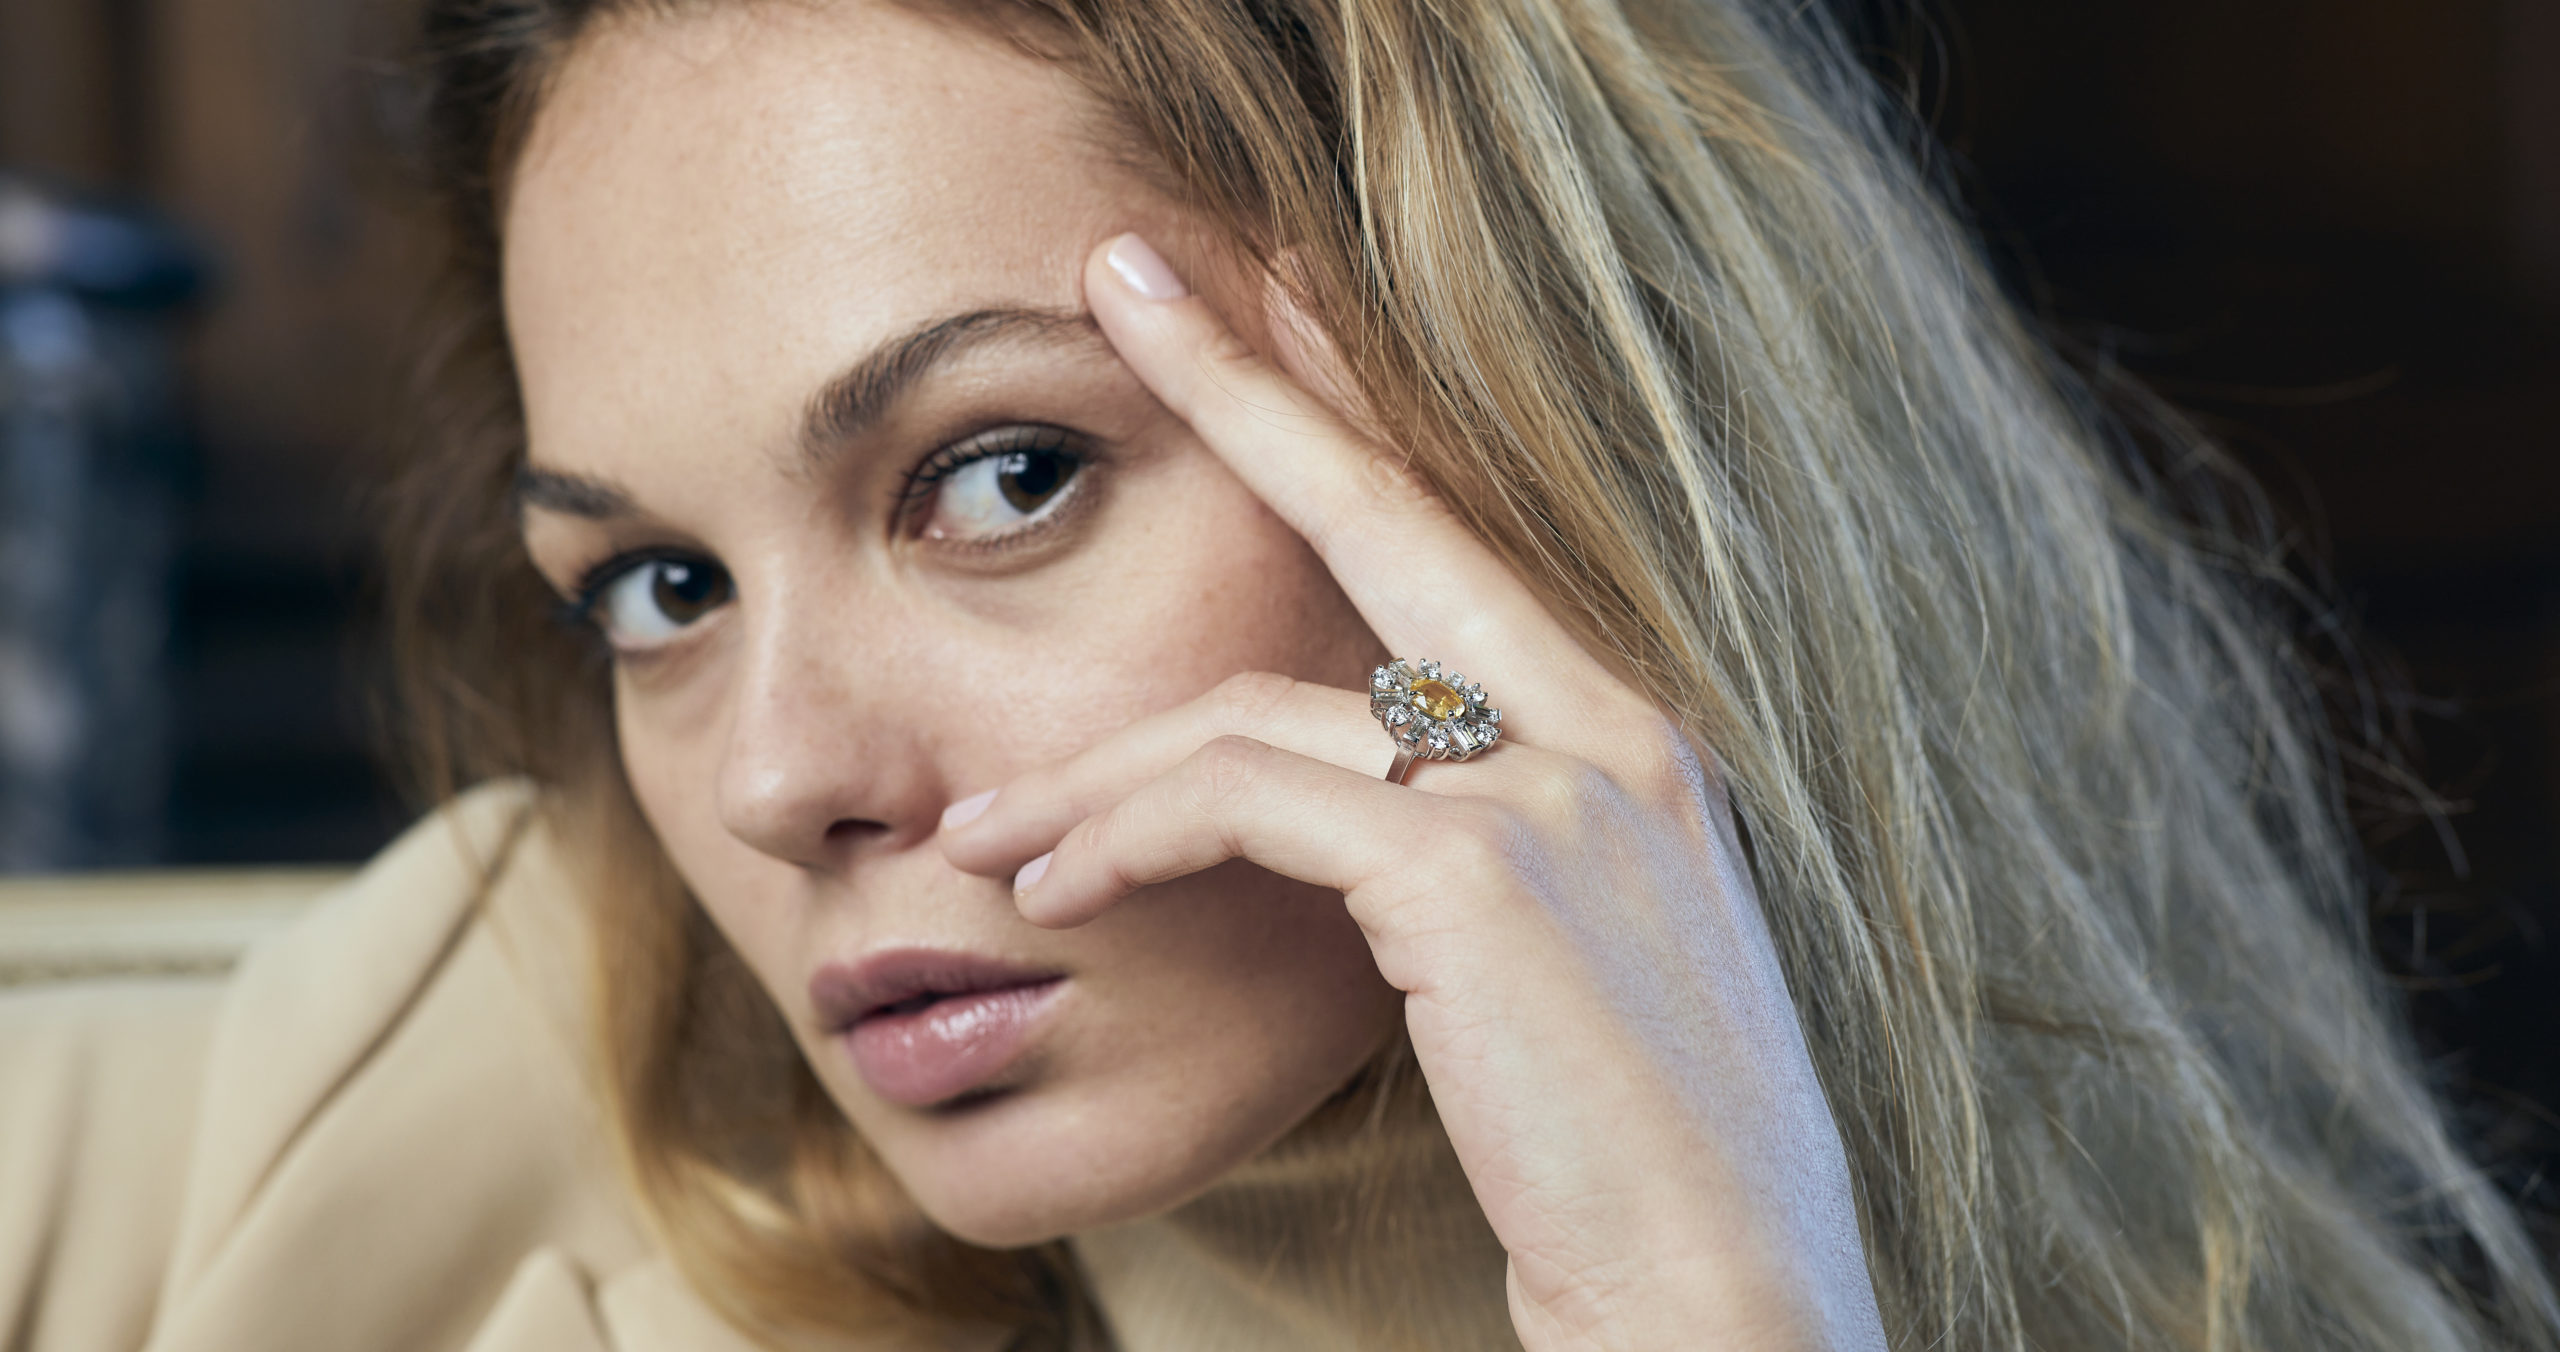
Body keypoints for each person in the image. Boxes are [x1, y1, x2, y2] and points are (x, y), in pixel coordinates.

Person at [5, 0, 2556, 1348]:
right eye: (657, 588)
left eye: (996, 474)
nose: (776, 776)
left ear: (1546, 439)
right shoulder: (444, 1087)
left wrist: (1702, 1300)